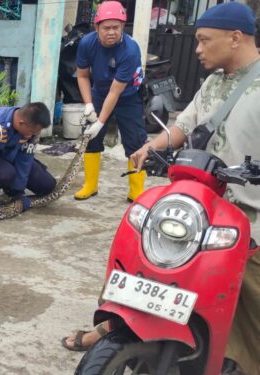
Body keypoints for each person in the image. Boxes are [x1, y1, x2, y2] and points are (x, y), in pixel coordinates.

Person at [65, 5, 260, 374]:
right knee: (149, 260)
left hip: (251, 222)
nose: (197, 49)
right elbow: (185, 124)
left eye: (204, 40)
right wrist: (149, 148)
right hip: (203, 211)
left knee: (251, 316)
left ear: (235, 38)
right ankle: (116, 323)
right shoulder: (216, 80)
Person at [73, 0, 148, 203]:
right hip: (99, 92)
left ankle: (136, 190)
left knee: (135, 141)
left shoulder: (130, 50)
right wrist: (88, 104)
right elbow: (82, 76)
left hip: (128, 96)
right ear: (97, 27)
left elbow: (115, 93)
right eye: (106, 28)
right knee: (90, 138)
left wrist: (100, 122)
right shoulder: (87, 43)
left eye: (116, 27)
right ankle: (90, 185)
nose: (111, 32)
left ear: (123, 26)